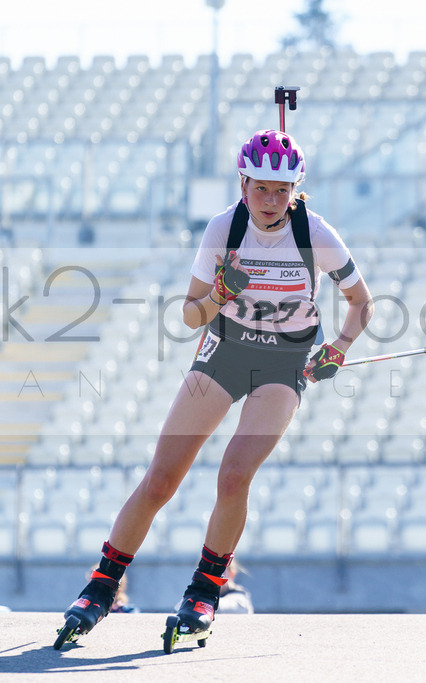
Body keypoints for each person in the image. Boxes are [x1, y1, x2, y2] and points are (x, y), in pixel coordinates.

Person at [62, 129, 372, 636]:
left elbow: (363, 302)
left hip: (284, 361)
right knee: (162, 478)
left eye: (282, 190)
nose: (271, 201)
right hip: (224, 351)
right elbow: (190, 314)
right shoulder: (222, 228)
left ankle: (204, 591)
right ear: (243, 182)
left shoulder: (315, 233)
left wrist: (337, 348)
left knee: (233, 475)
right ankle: (100, 586)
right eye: (261, 188)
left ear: (295, 189)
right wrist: (222, 293)